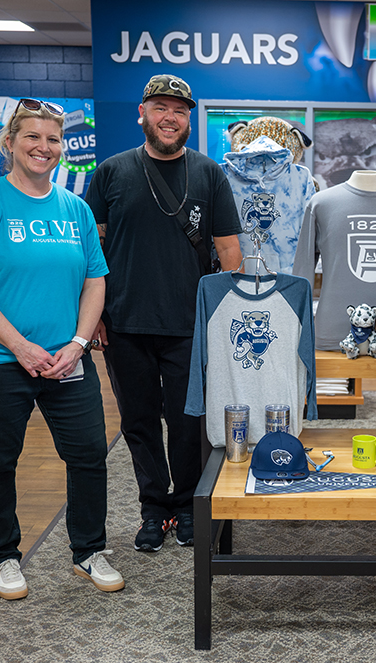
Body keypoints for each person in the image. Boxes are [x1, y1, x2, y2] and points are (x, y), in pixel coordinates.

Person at [0, 98, 123, 600]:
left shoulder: (76, 209)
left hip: (66, 360)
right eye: (33, 137)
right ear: (10, 143)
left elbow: (94, 282)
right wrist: (20, 347)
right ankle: (3, 557)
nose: (44, 148)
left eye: (53, 139)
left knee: (89, 455)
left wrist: (79, 343)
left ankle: (89, 550)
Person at [84, 75, 242, 552]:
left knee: (188, 422)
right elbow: (92, 250)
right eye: (160, 108)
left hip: (190, 327)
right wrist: (92, 317)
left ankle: (188, 507)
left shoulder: (209, 173)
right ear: (142, 113)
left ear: (189, 118)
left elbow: (229, 248)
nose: (170, 117)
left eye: (180, 109)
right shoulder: (111, 171)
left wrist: (226, 318)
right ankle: (154, 508)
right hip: (124, 324)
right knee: (139, 422)